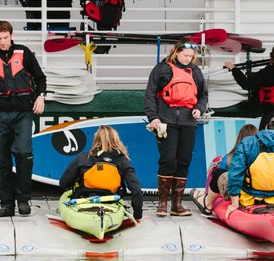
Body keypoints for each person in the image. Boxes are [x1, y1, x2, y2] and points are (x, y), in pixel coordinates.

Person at [0, 20, 47, 217]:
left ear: (11, 35)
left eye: (6, 38)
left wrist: (41, 96)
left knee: (23, 153)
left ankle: (23, 200)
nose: (3, 42)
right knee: (1, 160)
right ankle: (6, 203)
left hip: (23, 112)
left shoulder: (24, 53)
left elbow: (41, 78)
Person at [144, 38, 209, 217]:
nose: (188, 58)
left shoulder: (195, 71)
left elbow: (203, 96)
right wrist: (153, 117)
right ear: (177, 52)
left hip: (189, 121)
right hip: (166, 120)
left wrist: (199, 109)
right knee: (168, 160)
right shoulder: (162, 68)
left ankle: (177, 205)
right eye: (185, 55)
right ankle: (163, 203)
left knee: (184, 160)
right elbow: (150, 94)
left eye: (191, 56)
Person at [59, 125, 144, 221]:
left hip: (84, 199)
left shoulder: (83, 158)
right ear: (116, 140)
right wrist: (137, 216)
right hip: (111, 200)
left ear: (96, 139)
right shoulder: (123, 161)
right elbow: (136, 190)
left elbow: (63, 183)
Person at [224, 42, 274, 138]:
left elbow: (246, 84)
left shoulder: (268, 72)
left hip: (272, 115)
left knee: (265, 145)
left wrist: (234, 69)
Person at [191, 124, 258, 215]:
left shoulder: (230, 157)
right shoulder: (262, 156)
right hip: (256, 192)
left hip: (239, 193)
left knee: (218, 172)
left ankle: (208, 203)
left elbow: (226, 179)